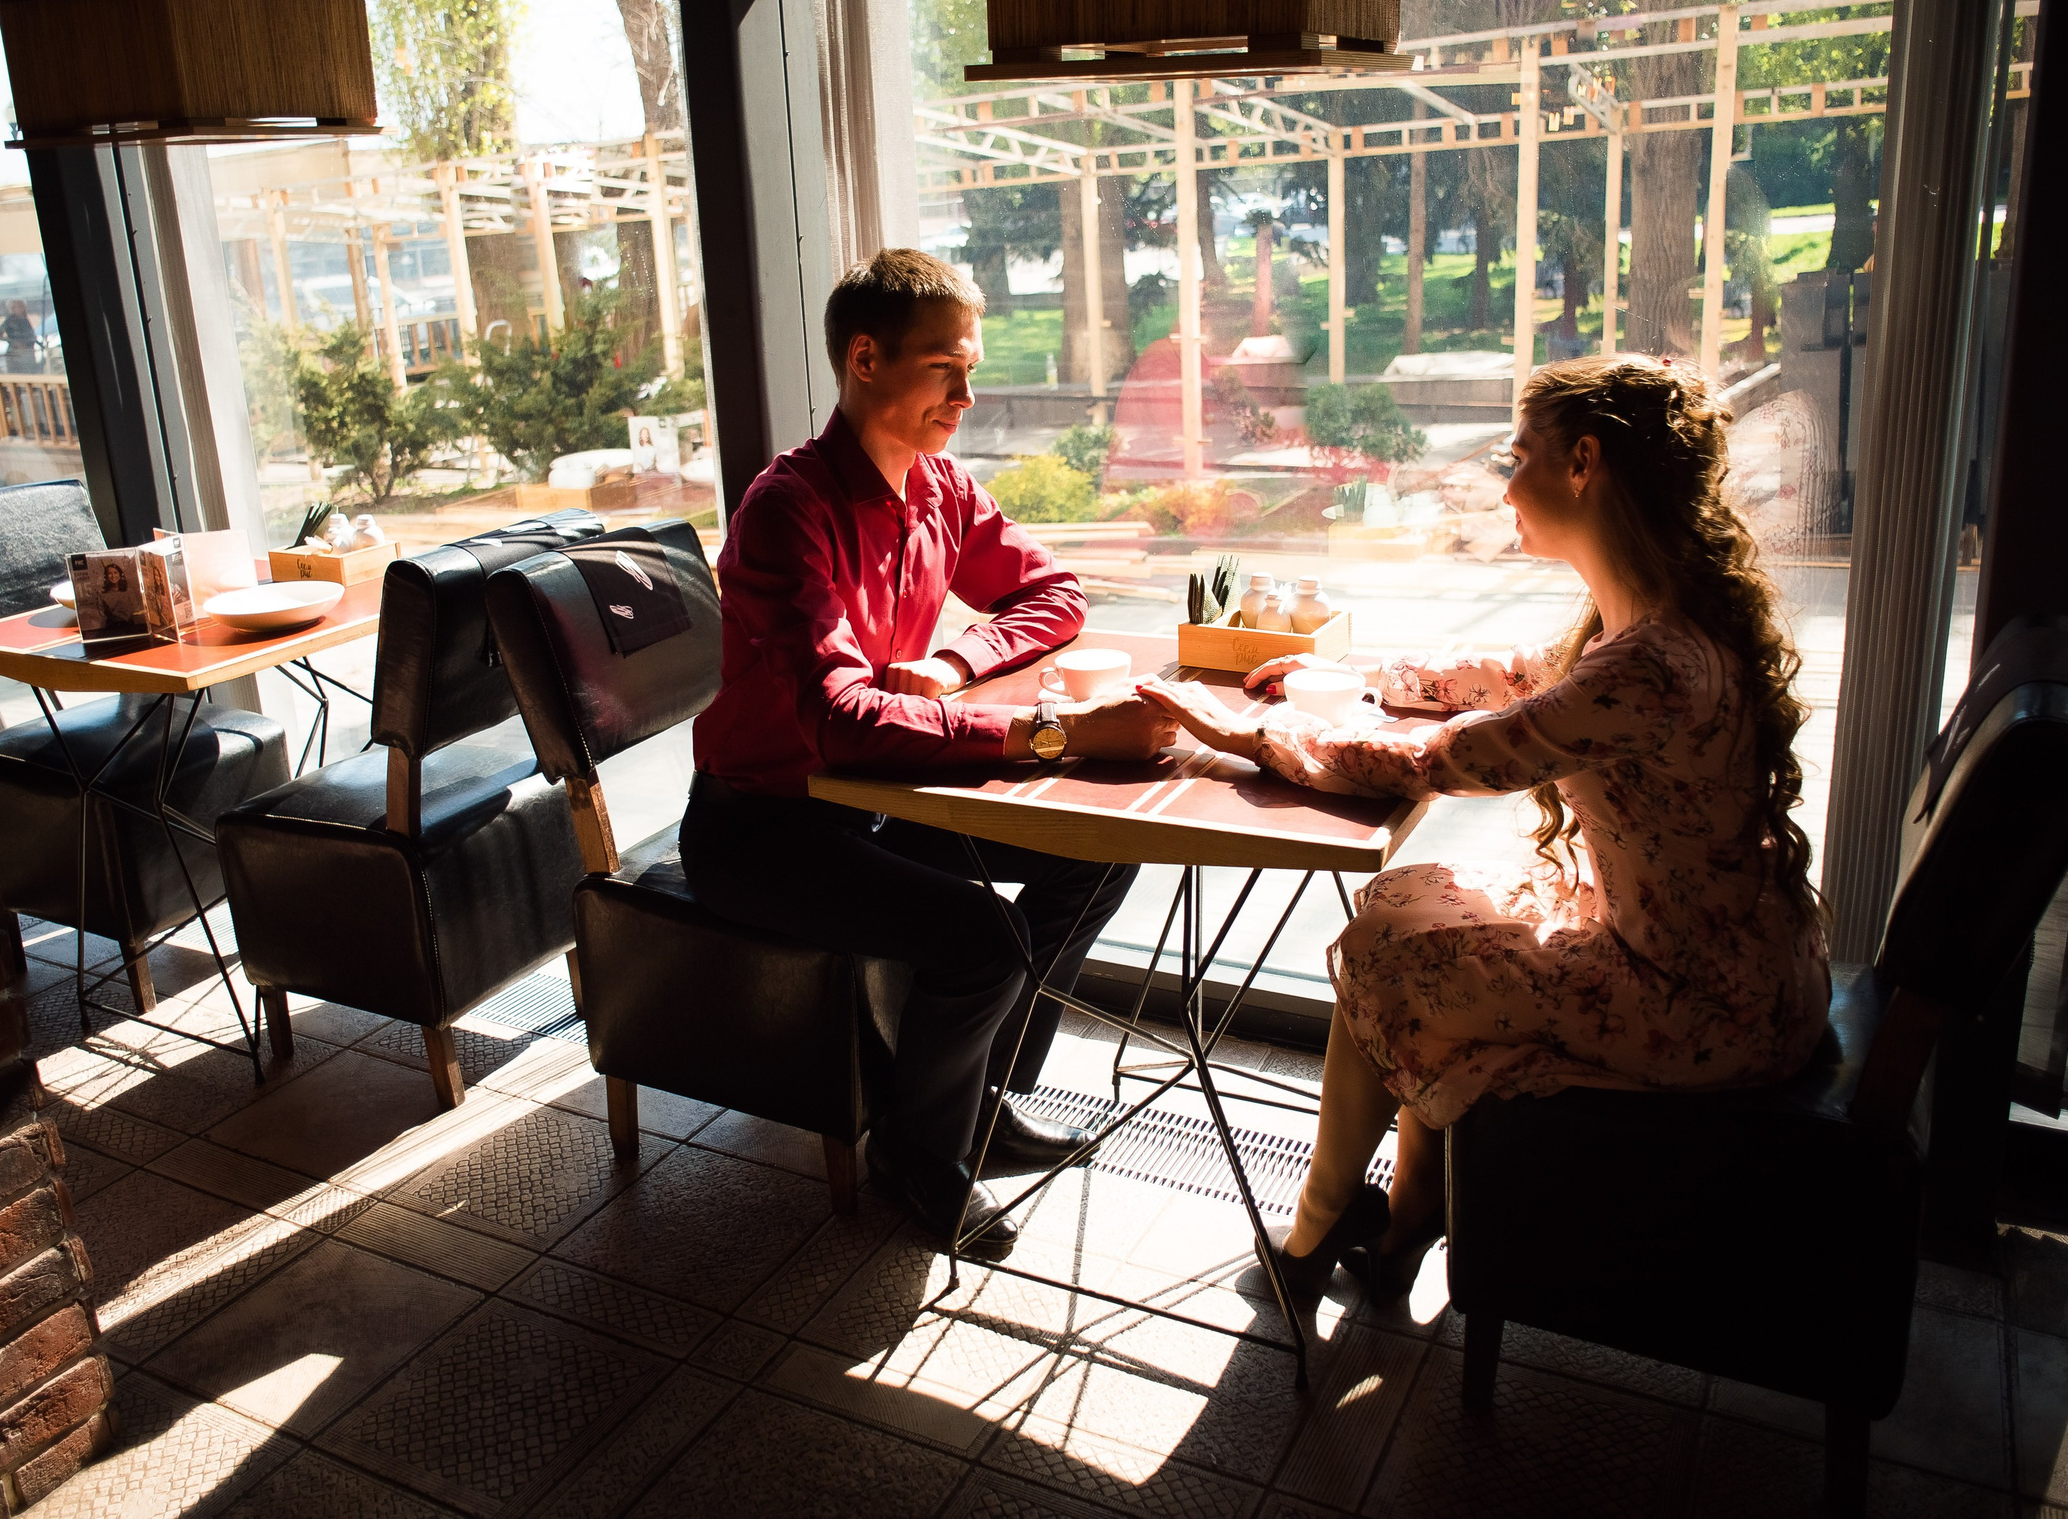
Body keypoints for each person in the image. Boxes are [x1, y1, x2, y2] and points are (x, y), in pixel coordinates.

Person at [1137, 354, 1832, 1302]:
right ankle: (1406, 1211)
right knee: (1404, 907)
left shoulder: (1655, 664)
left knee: (1385, 951)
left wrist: (1261, 733)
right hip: (1732, 963)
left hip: (1704, 1002)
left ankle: (1325, 1230)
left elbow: (1450, 764)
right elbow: (1522, 679)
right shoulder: (1655, 613)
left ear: (1584, 461)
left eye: (1521, 456)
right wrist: (1376, 677)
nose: (1506, 484)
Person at [684, 248, 1176, 1257]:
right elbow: (840, 721)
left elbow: (1056, 595)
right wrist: (1064, 735)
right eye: (948, 367)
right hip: (763, 824)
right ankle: (923, 1153)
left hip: (875, 800)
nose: (970, 390)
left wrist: (955, 658)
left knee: (1094, 857)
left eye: (972, 365)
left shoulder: (943, 489)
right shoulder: (788, 510)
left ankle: (982, 1097)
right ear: (865, 358)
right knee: (979, 939)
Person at [0, 300, 40, 374]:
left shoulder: (25, 319)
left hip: (28, 351)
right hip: (15, 353)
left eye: (23, 307)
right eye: (19, 307)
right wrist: (14, 342)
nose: (22, 309)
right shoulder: (9, 321)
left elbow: (30, 334)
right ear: (12, 309)